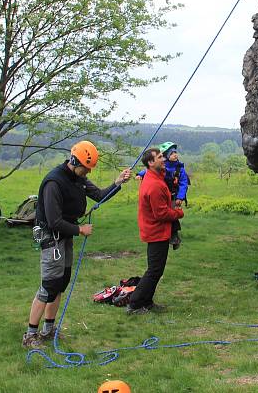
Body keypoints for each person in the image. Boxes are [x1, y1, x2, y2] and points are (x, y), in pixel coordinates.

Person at [22, 141, 131, 347]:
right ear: (74, 161)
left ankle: (48, 330)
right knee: (49, 286)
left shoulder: (78, 178)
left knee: (61, 283)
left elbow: (99, 195)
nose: (88, 172)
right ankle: (29, 336)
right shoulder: (54, 182)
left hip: (65, 235)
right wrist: (80, 230)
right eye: (86, 168)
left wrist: (118, 183)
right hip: (51, 238)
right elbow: (54, 220)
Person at [126, 147, 184, 314]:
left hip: (156, 230)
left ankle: (147, 302)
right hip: (156, 231)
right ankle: (135, 303)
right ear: (151, 163)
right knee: (154, 270)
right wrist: (178, 213)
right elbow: (161, 213)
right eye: (159, 157)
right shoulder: (154, 184)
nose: (163, 159)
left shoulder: (155, 178)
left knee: (156, 270)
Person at [136, 141, 189, 249]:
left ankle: (174, 235)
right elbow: (148, 170)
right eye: (172, 153)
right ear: (166, 156)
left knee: (172, 215)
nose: (175, 155)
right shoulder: (162, 168)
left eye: (175, 153)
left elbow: (183, 183)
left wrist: (180, 197)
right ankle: (168, 236)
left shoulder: (180, 168)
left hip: (173, 195)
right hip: (163, 195)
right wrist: (139, 174)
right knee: (166, 213)